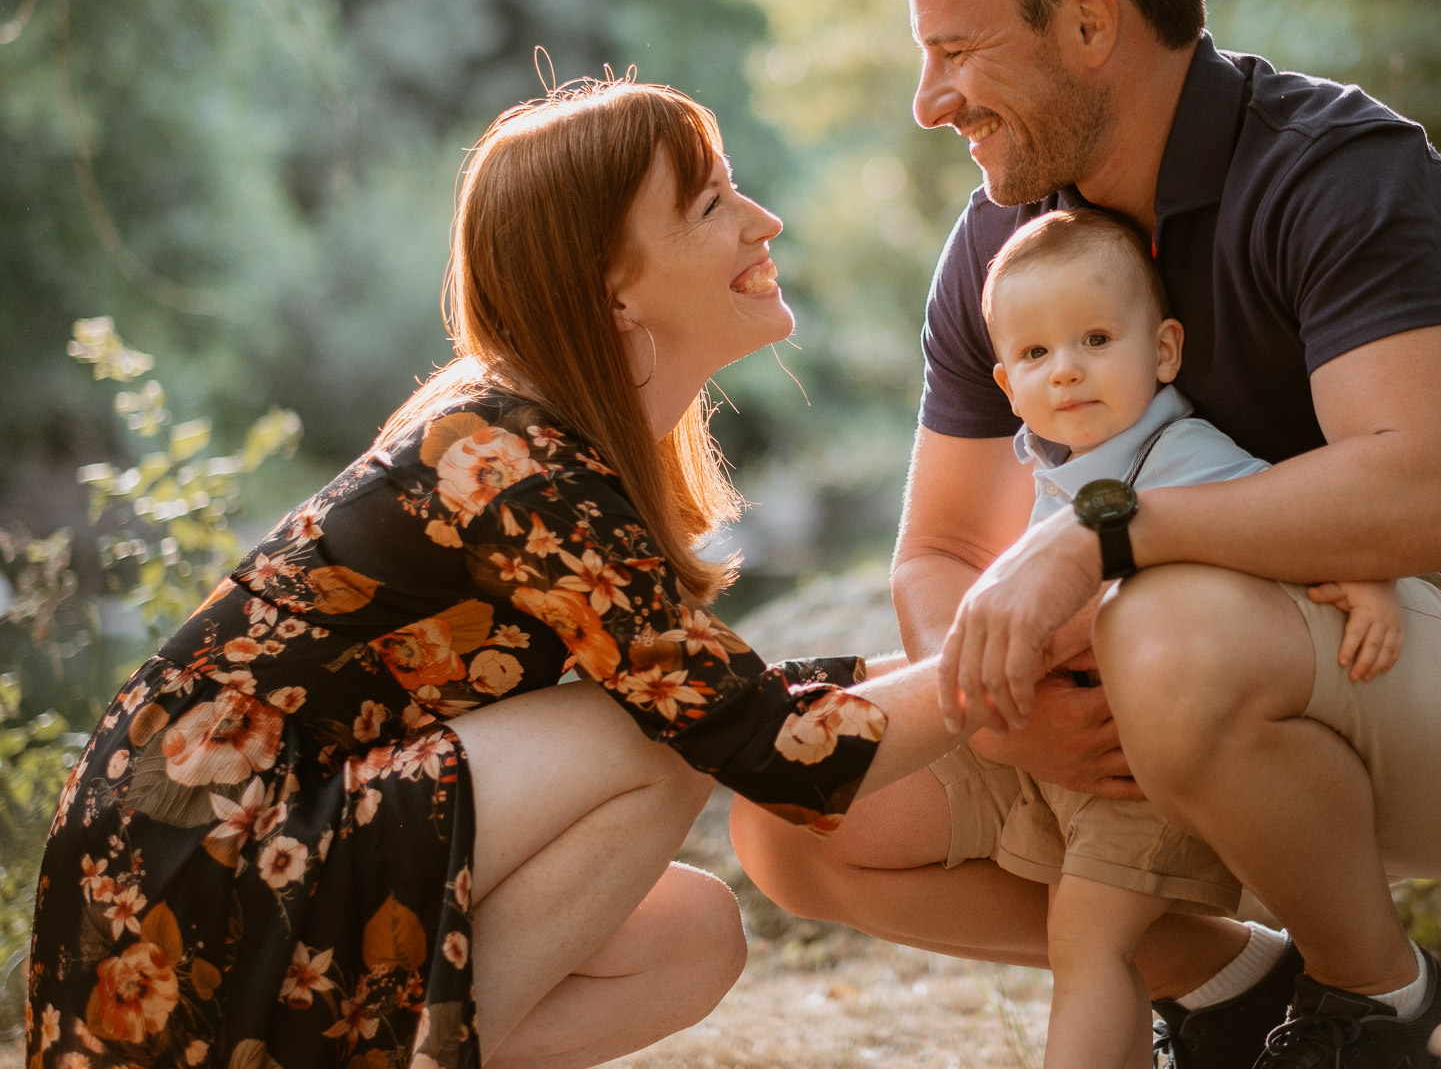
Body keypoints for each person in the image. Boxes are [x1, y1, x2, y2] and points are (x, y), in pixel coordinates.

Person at [730, 0, 1441, 1069]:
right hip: (1150, 714)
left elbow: (1435, 495)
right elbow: (936, 552)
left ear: (1090, 23)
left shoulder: (1337, 172)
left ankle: (1382, 1013)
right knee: (802, 797)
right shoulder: (1001, 247)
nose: (929, 104)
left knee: (1161, 624)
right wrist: (1006, 711)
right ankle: (1236, 985)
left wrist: (1104, 538)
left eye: (957, 52)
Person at [26, 78, 987, 1069]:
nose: (763, 220)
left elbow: (728, 704)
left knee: (691, 937)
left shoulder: (546, 438)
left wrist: (964, 662)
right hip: (191, 878)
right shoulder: (501, 452)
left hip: (255, 857)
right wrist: (1008, 656)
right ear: (610, 285)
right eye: (710, 203)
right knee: (647, 743)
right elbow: (765, 744)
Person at [966, 207, 1407, 1069]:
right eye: (1035, 355)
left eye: (1095, 338)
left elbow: (1300, 515)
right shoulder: (1052, 472)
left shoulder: (1178, 452)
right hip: (1085, 762)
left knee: (1087, 946)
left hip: (1151, 763)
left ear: (1163, 351)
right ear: (1006, 383)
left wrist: (1371, 578)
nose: (1066, 371)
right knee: (1093, 948)